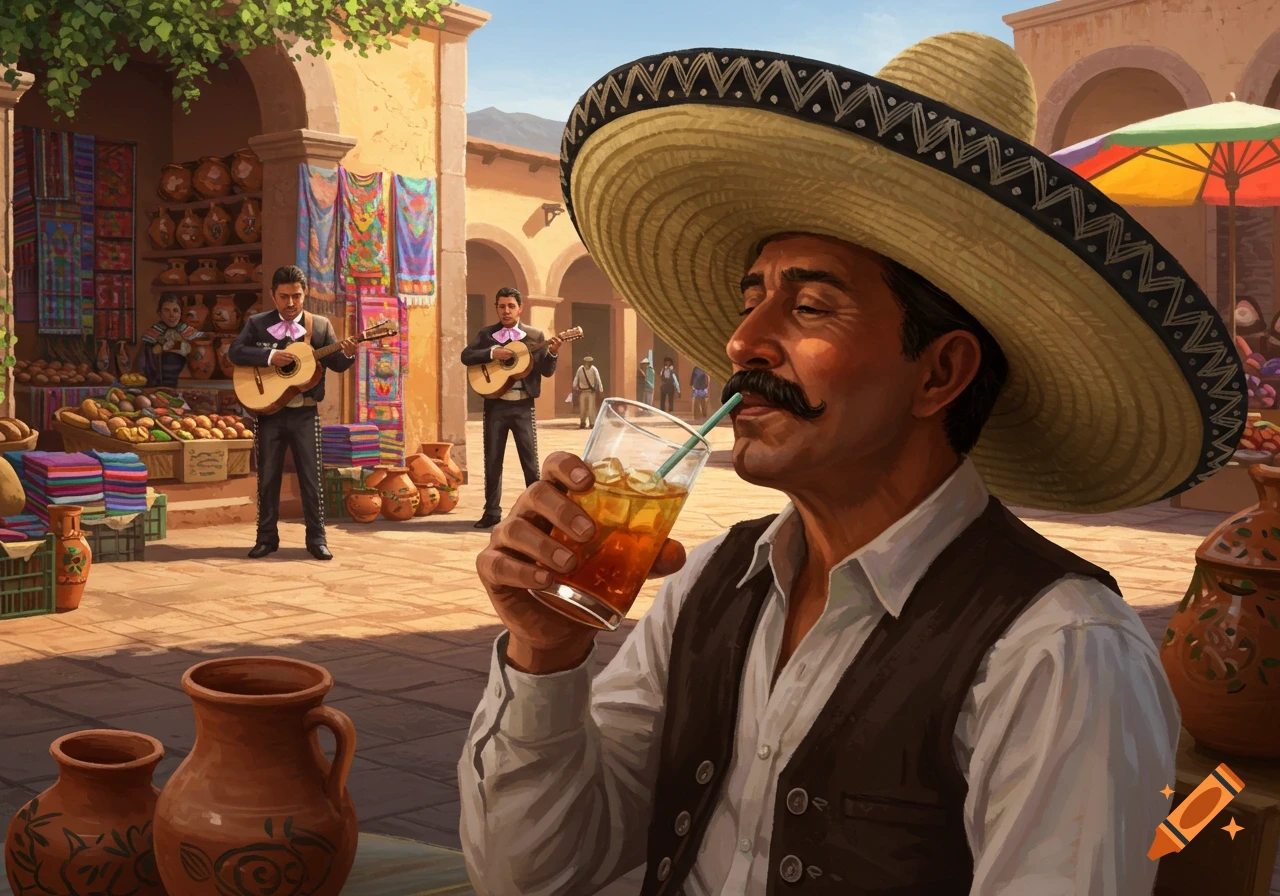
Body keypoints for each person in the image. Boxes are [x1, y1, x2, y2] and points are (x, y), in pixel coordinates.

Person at [459, 32, 1246, 896]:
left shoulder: (1058, 653)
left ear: (940, 372)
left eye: (810, 305)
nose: (744, 341)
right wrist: (545, 657)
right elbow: (534, 873)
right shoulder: (712, 583)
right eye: (751, 296)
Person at [228, 265, 357, 561]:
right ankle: (266, 538)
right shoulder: (258, 324)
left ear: (305, 294)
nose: (290, 303)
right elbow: (235, 352)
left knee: (311, 477)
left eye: (296, 297)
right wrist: (271, 356)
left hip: (305, 413)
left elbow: (336, 364)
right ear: (273, 296)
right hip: (269, 413)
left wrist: (348, 351)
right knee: (268, 477)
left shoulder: (320, 326)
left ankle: (317, 539)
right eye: (284, 296)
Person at [461, 286, 562, 529]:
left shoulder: (535, 336)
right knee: (493, 459)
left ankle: (536, 513)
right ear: (496, 307)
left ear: (520, 308)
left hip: (523, 407)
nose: (506, 311)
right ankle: (492, 512)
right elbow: (467, 356)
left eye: (510, 306)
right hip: (495, 405)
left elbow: (546, 372)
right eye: (501, 306)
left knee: (530, 462)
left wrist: (553, 353)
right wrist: (494, 353)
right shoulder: (487, 334)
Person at [137, 295, 205, 388]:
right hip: (158, 382)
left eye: (175, 311)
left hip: (184, 380)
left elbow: (196, 354)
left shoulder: (188, 332)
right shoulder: (153, 333)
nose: (172, 315)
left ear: (181, 312)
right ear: (159, 312)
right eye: (166, 310)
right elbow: (145, 359)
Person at [572, 355, 604, 429]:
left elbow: (598, 379)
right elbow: (576, 377)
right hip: (582, 391)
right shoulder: (580, 369)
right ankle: (582, 422)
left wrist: (601, 390)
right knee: (582, 408)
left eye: (589, 362)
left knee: (591, 408)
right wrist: (574, 386)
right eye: (586, 362)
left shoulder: (594, 369)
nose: (588, 363)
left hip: (591, 392)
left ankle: (592, 423)